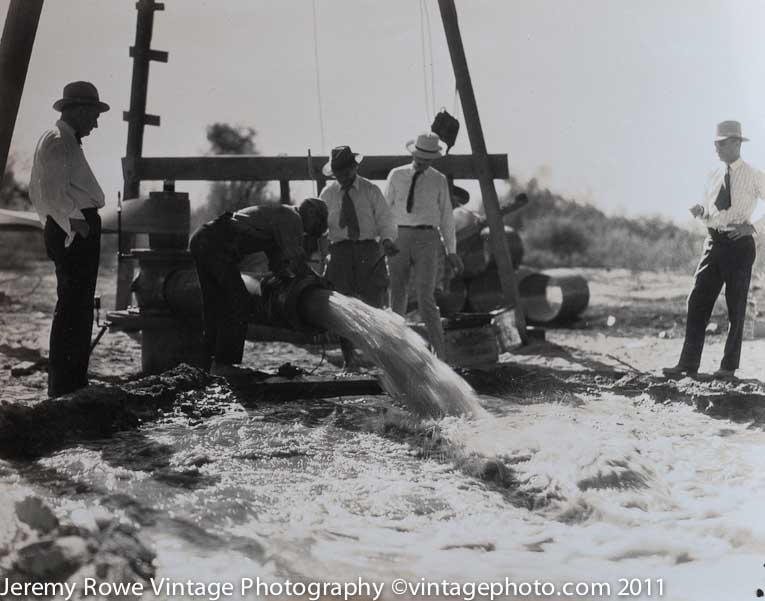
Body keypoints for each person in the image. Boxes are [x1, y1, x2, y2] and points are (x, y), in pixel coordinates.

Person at [663, 120, 765, 380]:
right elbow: (712, 212)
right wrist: (701, 212)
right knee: (697, 300)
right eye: (715, 143)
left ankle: (728, 367)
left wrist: (752, 227)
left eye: (720, 143)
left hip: (739, 246)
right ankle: (688, 364)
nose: (716, 148)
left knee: (736, 306)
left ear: (735, 143)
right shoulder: (712, 174)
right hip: (713, 242)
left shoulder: (754, 174)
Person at [29, 81, 110, 397]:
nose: (96, 121)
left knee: (78, 305)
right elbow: (49, 192)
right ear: (76, 110)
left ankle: (72, 380)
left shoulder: (65, 140)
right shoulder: (58, 140)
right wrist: (76, 224)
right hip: (73, 228)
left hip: (73, 226)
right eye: (93, 113)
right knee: (73, 306)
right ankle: (65, 384)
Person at [189, 198, 328, 374]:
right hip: (215, 244)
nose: (307, 233)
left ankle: (205, 365)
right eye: (317, 223)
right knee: (237, 299)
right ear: (311, 212)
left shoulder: (279, 217)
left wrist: (284, 280)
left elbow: (278, 264)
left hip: (203, 238)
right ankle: (224, 364)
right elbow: (297, 261)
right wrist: (318, 281)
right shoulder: (292, 218)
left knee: (214, 304)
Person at [385, 132, 464, 360]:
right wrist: (385, 239)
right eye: (420, 157)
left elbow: (447, 217)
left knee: (425, 296)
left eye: (427, 159)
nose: (422, 161)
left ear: (433, 159)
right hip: (399, 235)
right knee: (397, 294)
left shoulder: (438, 180)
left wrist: (451, 251)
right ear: (413, 153)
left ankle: (440, 354)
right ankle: (395, 351)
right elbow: (384, 209)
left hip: (428, 239)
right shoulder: (396, 175)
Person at [320, 145, 398, 370]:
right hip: (340, 252)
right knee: (341, 307)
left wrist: (388, 241)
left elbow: (386, 221)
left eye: (346, 171)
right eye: (338, 173)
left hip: (368, 251)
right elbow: (320, 225)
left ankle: (380, 361)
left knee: (374, 303)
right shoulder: (327, 194)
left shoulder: (370, 190)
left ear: (354, 168)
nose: (342, 176)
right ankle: (349, 360)